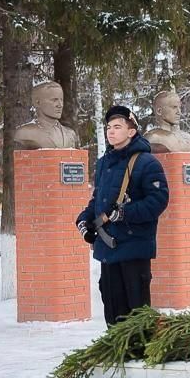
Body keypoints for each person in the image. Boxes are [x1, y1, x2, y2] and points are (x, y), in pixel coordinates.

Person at [76, 106, 169, 326]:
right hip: (108, 249)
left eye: (118, 127)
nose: (111, 132)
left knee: (136, 313)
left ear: (131, 131)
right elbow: (99, 199)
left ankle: (138, 355)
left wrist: (124, 214)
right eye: (108, 127)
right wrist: (84, 220)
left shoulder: (147, 162)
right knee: (112, 310)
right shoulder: (104, 163)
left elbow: (158, 201)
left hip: (134, 247)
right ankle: (117, 354)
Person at [14, 81, 79, 149]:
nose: (60, 105)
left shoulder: (70, 134)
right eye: (54, 100)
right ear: (37, 103)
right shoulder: (25, 133)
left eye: (61, 100)